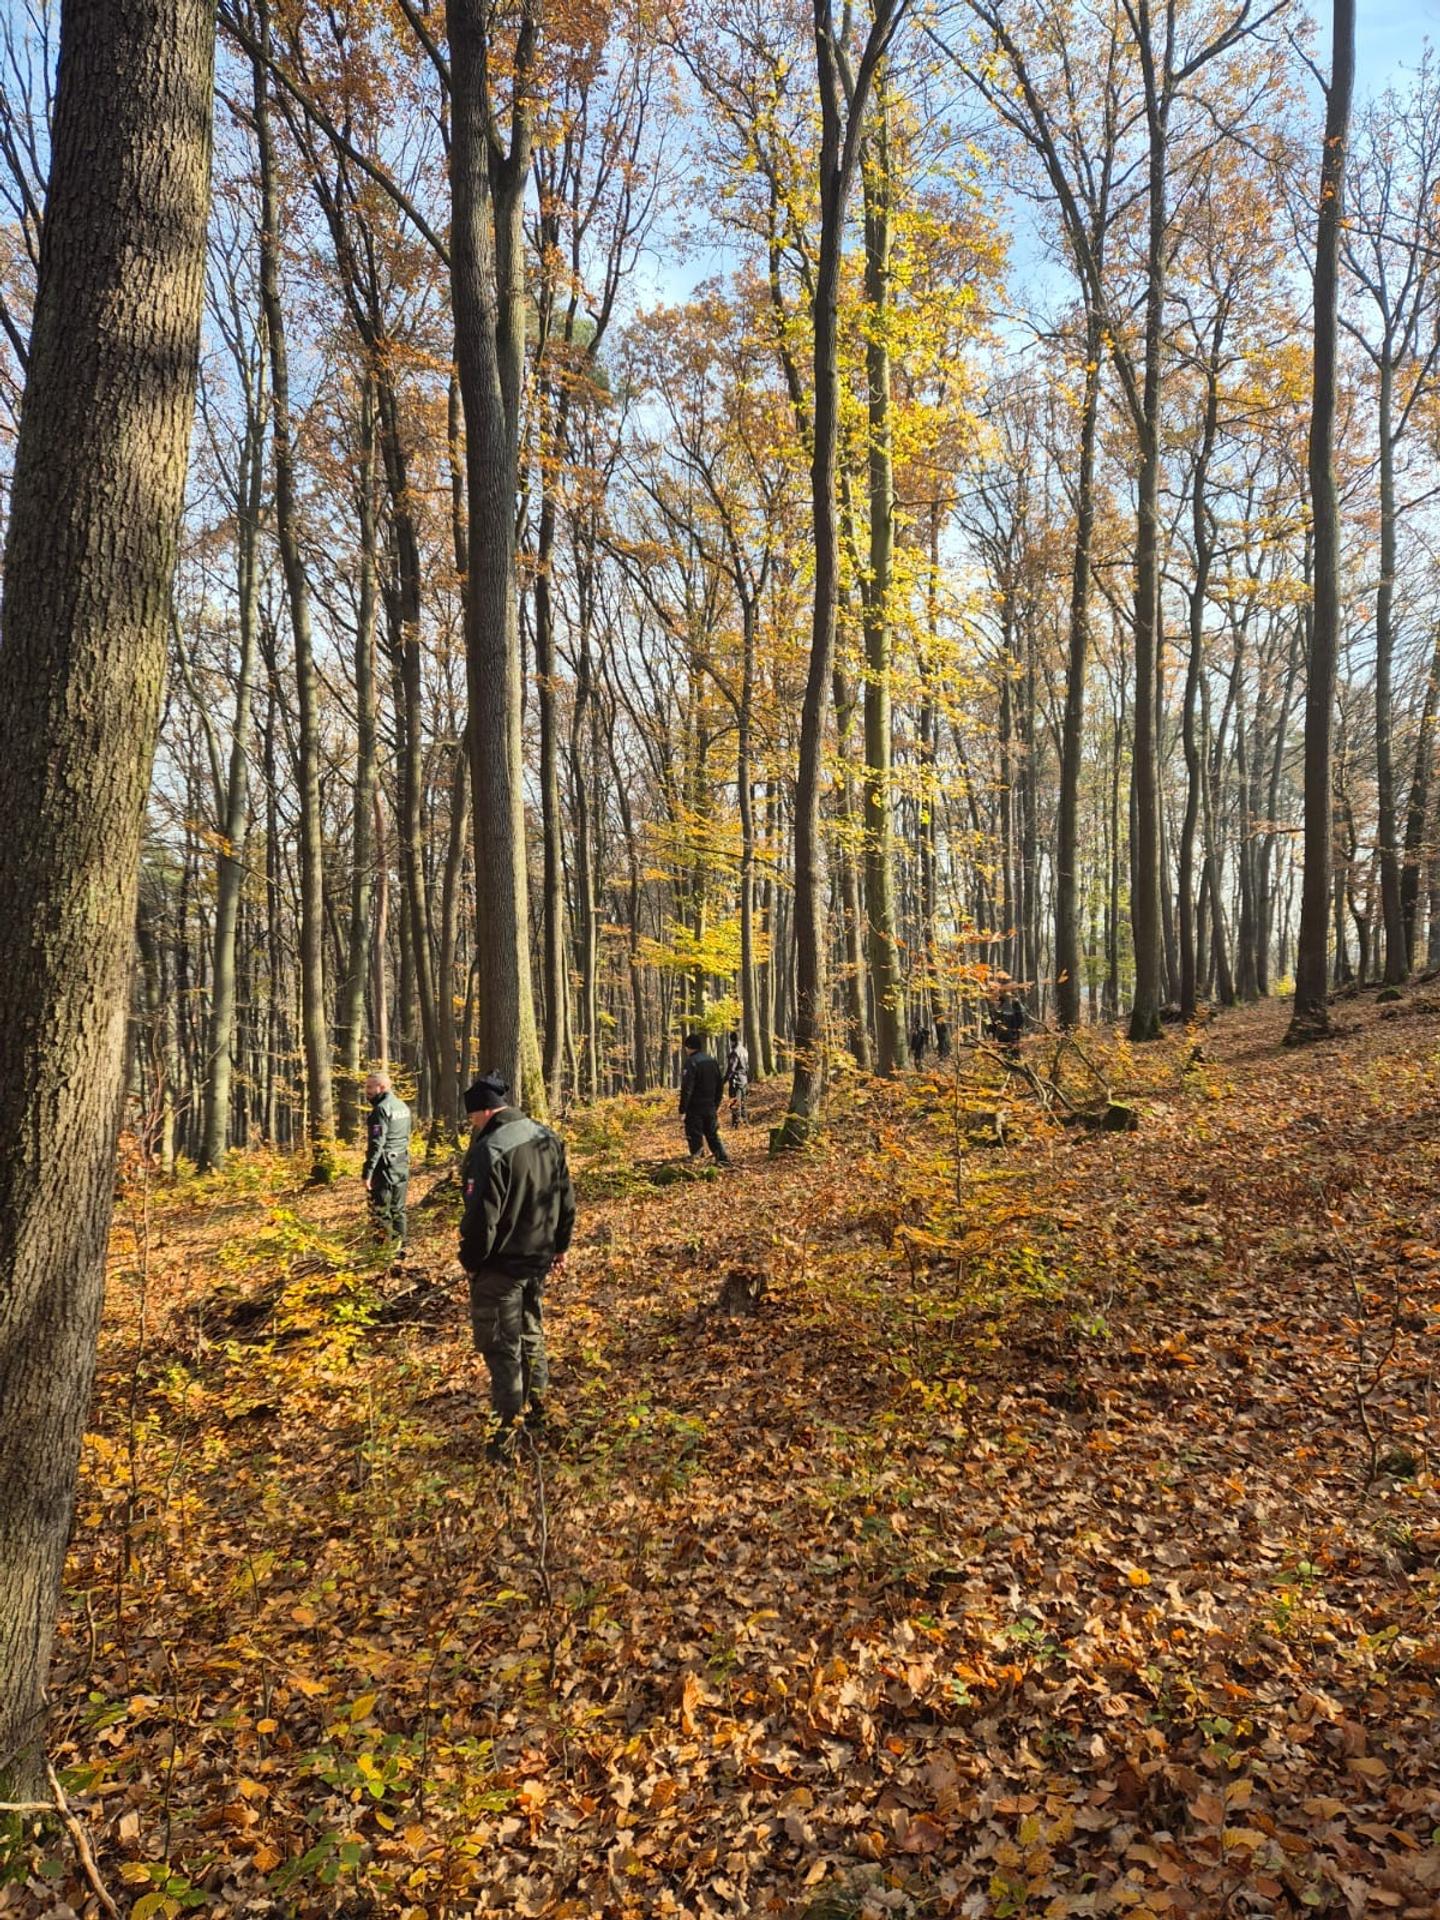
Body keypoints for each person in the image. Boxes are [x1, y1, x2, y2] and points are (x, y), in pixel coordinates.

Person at [459, 1072, 576, 1463]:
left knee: (502, 1349)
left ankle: (505, 1438)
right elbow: (565, 1197)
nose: (473, 1124)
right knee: (530, 1335)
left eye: (473, 1117)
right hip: (537, 1259)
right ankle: (542, 1415)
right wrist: (560, 1245)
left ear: (485, 1111)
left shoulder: (489, 1149)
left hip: (501, 1267)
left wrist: (471, 1262)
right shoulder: (546, 1136)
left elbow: (481, 1221)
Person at [361, 1070, 411, 1257]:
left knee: (380, 1210)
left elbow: (377, 1143)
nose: (366, 1091)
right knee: (398, 1208)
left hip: (384, 1167)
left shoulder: (380, 1110)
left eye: (369, 1087)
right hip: (401, 1162)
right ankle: (401, 1250)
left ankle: (380, 1253)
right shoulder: (402, 1106)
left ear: (381, 1087)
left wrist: (368, 1172)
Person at [679, 1032, 730, 1165]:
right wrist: (716, 1104)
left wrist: (683, 1109)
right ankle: (723, 1159)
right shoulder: (712, 1061)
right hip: (710, 1106)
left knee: (694, 1135)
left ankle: (698, 1161)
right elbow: (720, 1085)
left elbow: (687, 1088)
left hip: (695, 1108)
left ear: (689, 1047)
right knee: (712, 1135)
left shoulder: (691, 1062)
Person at [724, 1030, 749, 1126]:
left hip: (736, 1080)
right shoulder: (744, 1050)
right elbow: (747, 1066)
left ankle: (736, 1124)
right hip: (744, 1080)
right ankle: (745, 1122)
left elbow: (731, 1069)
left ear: (732, 1041)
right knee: (743, 1102)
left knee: (735, 1102)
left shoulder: (735, 1053)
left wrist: (724, 1080)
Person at [991, 995, 1025, 1062]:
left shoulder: (1007, 1010)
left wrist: (1015, 1030)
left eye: (997, 1001)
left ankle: (1014, 1063)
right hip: (1006, 1034)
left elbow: (1019, 1021)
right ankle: (1012, 1062)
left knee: (1011, 1050)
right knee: (1008, 1051)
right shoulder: (1003, 1010)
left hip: (1009, 1034)